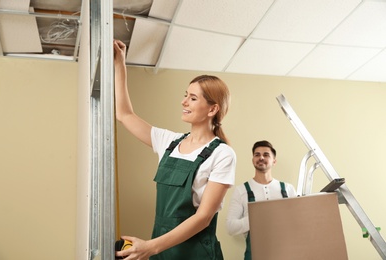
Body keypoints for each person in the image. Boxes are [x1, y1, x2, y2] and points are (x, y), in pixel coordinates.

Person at [113, 39, 236, 260]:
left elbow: (203, 218)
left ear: (212, 109)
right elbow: (124, 115)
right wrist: (120, 64)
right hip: (162, 251)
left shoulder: (222, 154)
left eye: (193, 98)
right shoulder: (169, 142)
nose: (184, 102)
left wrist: (151, 247)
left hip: (196, 254)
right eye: (185, 95)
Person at [226, 140, 296, 260]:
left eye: (266, 154)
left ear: (274, 161)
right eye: (257, 155)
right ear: (253, 160)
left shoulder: (288, 189)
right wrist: (256, 219)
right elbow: (230, 227)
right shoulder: (241, 190)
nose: (261, 157)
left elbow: (298, 223)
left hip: (286, 254)